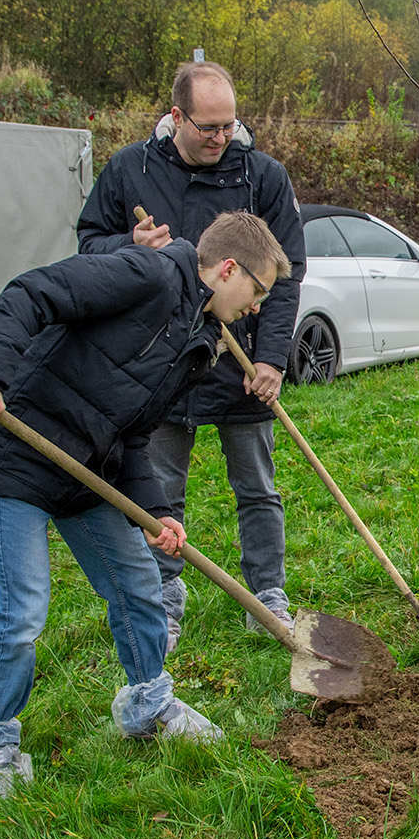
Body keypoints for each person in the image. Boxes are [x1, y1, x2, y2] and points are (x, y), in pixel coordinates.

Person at [0, 213, 290, 796]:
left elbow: (136, 433)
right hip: (22, 460)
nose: (258, 306)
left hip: (89, 473)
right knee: (24, 610)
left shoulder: (200, 338)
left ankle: (146, 705)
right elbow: (33, 293)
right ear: (229, 269)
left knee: (139, 587)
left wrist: (158, 510)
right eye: (257, 290)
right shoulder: (147, 275)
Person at [77, 62, 307, 648]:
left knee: (257, 486)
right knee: (159, 489)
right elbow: (87, 244)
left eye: (230, 125)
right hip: (163, 362)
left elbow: (286, 275)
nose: (221, 137)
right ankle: (163, 597)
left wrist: (272, 359)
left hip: (241, 363)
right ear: (176, 116)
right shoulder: (132, 169)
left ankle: (267, 594)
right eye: (208, 127)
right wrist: (127, 245)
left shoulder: (263, 176)